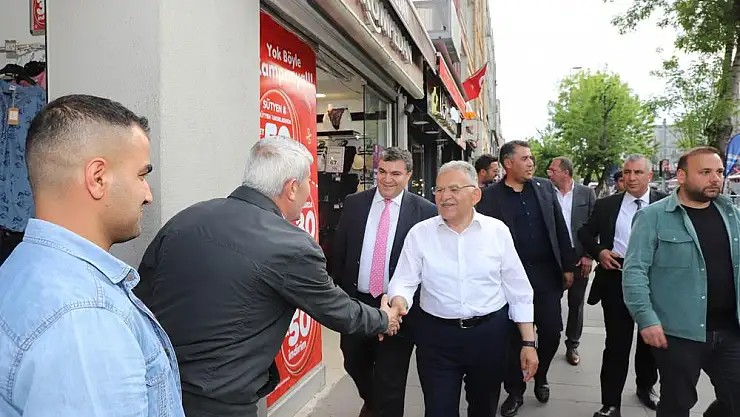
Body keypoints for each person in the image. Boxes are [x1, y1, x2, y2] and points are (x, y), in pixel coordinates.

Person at [135, 136, 403, 417]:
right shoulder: (292, 246)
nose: (308, 196)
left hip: (157, 386)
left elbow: (142, 296)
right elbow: (337, 310)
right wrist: (384, 319)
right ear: (291, 188)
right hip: (220, 400)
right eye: (307, 185)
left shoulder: (186, 218)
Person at [0, 95, 185, 416]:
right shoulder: (84, 319)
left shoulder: (21, 268)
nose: (148, 195)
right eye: (141, 176)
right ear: (97, 178)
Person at [387, 161, 538, 417]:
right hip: (437, 339)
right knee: (438, 410)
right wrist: (399, 302)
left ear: (475, 195)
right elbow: (404, 280)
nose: (444, 196)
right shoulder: (420, 234)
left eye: (454, 189)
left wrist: (528, 343)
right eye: (439, 189)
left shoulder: (497, 232)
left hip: (488, 337)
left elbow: (518, 289)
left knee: (483, 408)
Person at [623, 146, 740, 417]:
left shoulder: (732, 214)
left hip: (730, 330)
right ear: (682, 176)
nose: (715, 179)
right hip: (679, 334)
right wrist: (646, 319)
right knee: (676, 405)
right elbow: (635, 272)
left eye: (719, 172)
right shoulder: (652, 217)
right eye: (705, 172)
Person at [331, 147, 437, 417]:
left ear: (409, 175)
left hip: (398, 309)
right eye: (382, 172)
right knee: (354, 362)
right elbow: (340, 251)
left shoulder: (425, 211)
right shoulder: (355, 203)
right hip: (357, 303)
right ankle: (373, 403)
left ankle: (381, 408)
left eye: (396, 174)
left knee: (391, 379)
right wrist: (338, 295)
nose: (387, 179)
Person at [477, 140, 576, 417]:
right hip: (509, 280)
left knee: (552, 331)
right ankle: (515, 390)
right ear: (508, 164)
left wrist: (567, 266)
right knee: (513, 338)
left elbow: (559, 227)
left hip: (546, 276)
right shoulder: (489, 198)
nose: (531, 163)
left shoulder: (544, 188)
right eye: (525, 158)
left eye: (531, 158)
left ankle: (540, 375)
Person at [577, 154, 663, 417]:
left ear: (650, 176)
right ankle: (611, 403)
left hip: (654, 280)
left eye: (638, 172)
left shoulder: (665, 203)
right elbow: (585, 232)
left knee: (650, 341)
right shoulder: (607, 205)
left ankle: (646, 387)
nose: (631, 178)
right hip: (617, 278)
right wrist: (600, 252)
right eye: (627, 172)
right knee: (617, 343)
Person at [547, 157, 597, 366]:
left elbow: (595, 226)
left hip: (579, 258)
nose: (549, 173)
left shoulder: (586, 193)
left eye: (553, 170)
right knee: (549, 303)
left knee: (576, 304)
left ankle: (572, 344)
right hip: (553, 259)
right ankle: (547, 341)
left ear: (566, 173)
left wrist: (589, 255)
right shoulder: (546, 192)